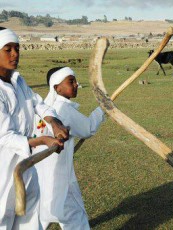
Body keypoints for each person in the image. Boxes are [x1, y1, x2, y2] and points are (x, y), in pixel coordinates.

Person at [0, 27, 69, 229]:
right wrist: (42, 140)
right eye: (8, 49)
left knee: (30, 220)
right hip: (3, 169)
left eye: (17, 48)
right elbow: (4, 137)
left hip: (25, 165)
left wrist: (54, 123)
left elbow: (38, 104)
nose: (15, 54)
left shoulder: (17, 81)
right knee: (3, 217)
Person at [33, 66, 105, 230]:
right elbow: (88, 128)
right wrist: (103, 108)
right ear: (57, 88)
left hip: (40, 175)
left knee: (42, 213)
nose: (76, 84)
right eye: (71, 81)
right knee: (75, 217)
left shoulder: (44, 110)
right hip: (59, 176)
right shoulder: (63, 109)